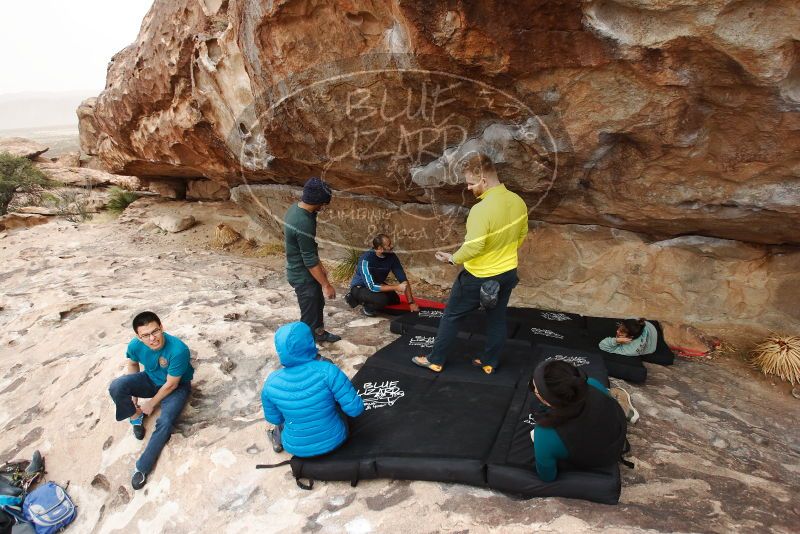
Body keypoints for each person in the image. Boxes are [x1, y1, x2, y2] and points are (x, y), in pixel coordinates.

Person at [412, 153, 528, 374]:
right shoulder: (518, 202)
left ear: (483, 179)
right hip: (507, 273)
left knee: (451, 316)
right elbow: (521, 235)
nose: (468, 187)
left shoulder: (481, 210)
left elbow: (474, 247)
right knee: (497, 319)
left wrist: (452, 258)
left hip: (478, 277)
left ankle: (435, 360)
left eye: (471, 182)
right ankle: (489, 362)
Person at [108, 312, 194, 490]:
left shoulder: (178, 350)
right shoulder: (136, 345)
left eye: (155, 331)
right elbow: (133, 364)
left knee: (165, 421)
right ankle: (135, 417)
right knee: (117, 386)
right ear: (138, 337)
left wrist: (151, 404)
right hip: (150, 379)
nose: (152, 338)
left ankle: (143, 467)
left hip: (175, 388)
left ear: (161, 327)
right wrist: (134, 399)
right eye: (145, 335)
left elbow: (171, 385)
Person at [261, 322, 365, 457]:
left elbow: (275, 419)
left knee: (288, 412)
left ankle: (277, 439)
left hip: (296, 448)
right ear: (309, 341)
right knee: (332, 400)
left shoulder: (270, 382)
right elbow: (355, 410)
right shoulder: (328, 370)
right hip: (335, 440)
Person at [529, 360, 632, 482]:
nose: (532, 387)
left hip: (596, 460)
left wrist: (543, 445)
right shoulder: (592, 384)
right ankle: (626, 409)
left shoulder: (545, 434)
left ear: (547, 400)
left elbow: (547, 477)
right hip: (616, 436)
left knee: (545, 443)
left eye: (535, 389)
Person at [284, 176, 340, 343]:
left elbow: (309, 250)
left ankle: (319, 333)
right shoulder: (303, 222)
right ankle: (308, 350)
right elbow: (308, 260)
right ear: (318, 201)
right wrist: (326, 285)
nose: (324, 207)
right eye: (323, 203)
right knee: (309, 315)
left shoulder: (297, 209)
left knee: (317, 304)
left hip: (306, 272)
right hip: (302, 275)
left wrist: (321, 268)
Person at [345, 233, 418, 316]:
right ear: (380, 248)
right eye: (388, 245)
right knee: (382, 300)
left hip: (376, 284)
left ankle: (370, 299)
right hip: (360, 287)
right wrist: (396, 287)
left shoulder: (392, 257)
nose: (391, 246)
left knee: (395, 300)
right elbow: (371, 286)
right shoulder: (365, 260)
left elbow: (403, 279)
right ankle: (363, 305)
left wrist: (411, 302)